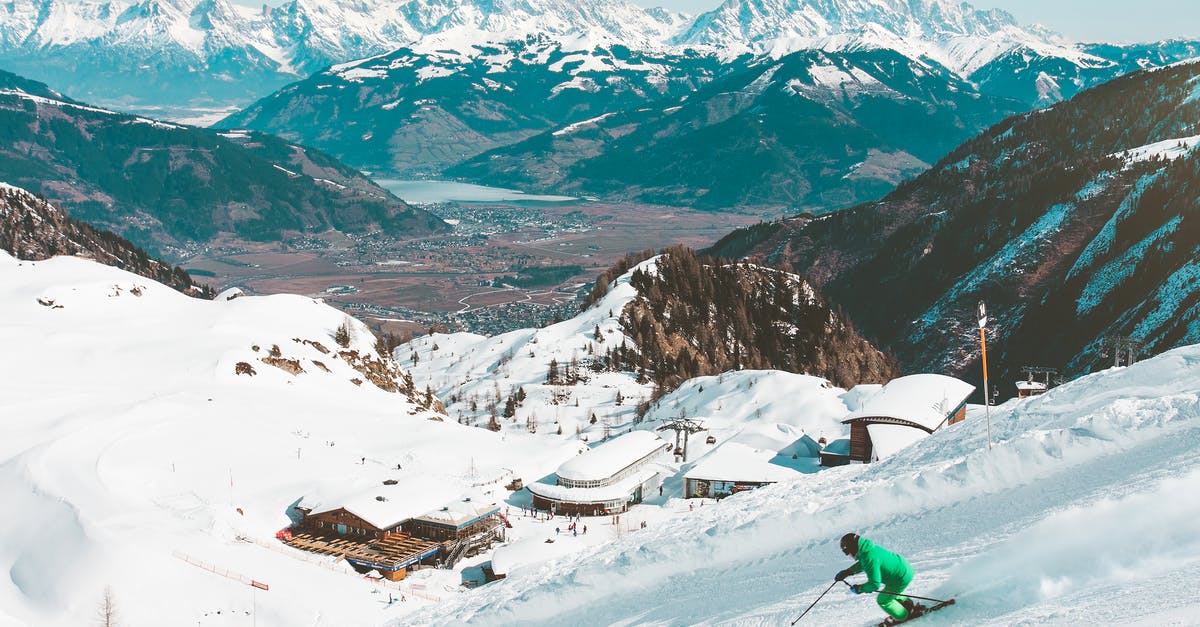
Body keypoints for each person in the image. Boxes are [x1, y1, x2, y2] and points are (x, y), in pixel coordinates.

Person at [835, 533, 917, 624]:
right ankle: (907, 604)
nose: (848, 555)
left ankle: (903, 615)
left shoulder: (869, 557)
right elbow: (864, 562)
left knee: (883, 600)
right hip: (903, 569)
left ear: (853, 548)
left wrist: (859, 589)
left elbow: (874, 584)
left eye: (847, 552)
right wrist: (848, 571)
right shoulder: (867, 549)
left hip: (900, 578)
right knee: (889, 592)